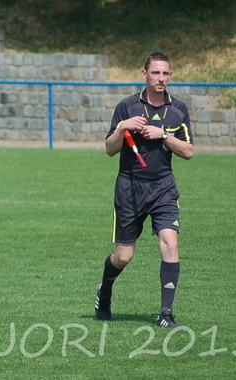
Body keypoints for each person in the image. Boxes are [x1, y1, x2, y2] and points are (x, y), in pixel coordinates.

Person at [94, 51, 193, 328]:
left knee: (170, 243)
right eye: (156, 73)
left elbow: (189, 152)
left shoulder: (178, 110)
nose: (161, 78)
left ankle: (166, 313)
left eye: (165, 73)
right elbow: (109, 150)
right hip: (130, 187)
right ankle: (105, 290)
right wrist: (122, 128)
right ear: (144, 74)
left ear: (170, 76)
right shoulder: (126, 107)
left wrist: (163, 135)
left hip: (163, 187)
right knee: (124, 255)